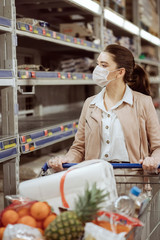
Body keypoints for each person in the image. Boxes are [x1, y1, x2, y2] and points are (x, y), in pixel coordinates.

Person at [48, 44, 160, 173]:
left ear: (120, 72)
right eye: (97, 64)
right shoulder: (90, 104)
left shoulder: (143, 102)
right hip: (95, 179)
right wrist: (66, 159)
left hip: (132, 178)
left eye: (104, 65)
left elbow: (157, 147)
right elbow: (79, 148)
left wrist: (153, 160)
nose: (97, 69)